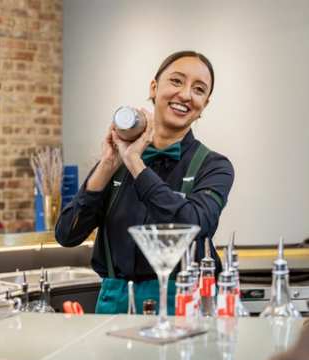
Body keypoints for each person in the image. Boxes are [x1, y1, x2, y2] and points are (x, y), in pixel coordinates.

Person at [55, 50, 234, 314]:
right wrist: (107, 164)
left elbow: (194, 224)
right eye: (176, 81)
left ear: (204, 105)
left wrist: (136, 164)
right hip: (115, 306)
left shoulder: (214, 166)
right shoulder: (115, 163)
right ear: (153, 87)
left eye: (198, 89)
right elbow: (67, 234)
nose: (185, 94)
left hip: (184, 306)